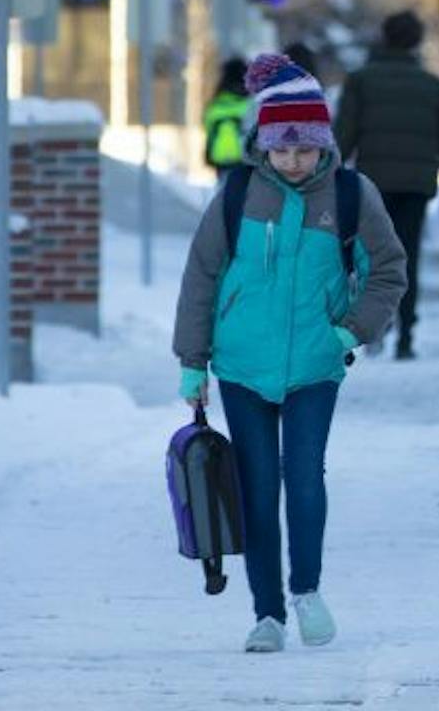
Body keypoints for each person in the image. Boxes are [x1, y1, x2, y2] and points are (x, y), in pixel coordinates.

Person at [172, 53, 408, 653]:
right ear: (264, 144)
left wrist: (348, 333)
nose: (293, 160)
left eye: (305, 149)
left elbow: (388, 270)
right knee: (255, 486)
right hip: (242, 367)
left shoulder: (352, 195)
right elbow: (202, 275)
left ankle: (306, 589)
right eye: (281, 148)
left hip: (315, 364)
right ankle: (267, 614)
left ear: (323, 144)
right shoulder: (237, 195)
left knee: (304, 477)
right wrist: (192, 361)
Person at [334, 10, 439, 360]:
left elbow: (346, 131)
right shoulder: (433, 87)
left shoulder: (361, 82)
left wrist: (329, 172)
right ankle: (407, 335)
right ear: (416, 42)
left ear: (385, 37)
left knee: (371, 256)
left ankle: (374, 327)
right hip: (416, 183)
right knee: (407, 256)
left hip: (373, 182)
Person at [202, 57, 251, 171]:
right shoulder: (248, 105)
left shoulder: (215, 105)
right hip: (242, 158)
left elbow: (208, 127)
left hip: (218, 157)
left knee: (224, 187)